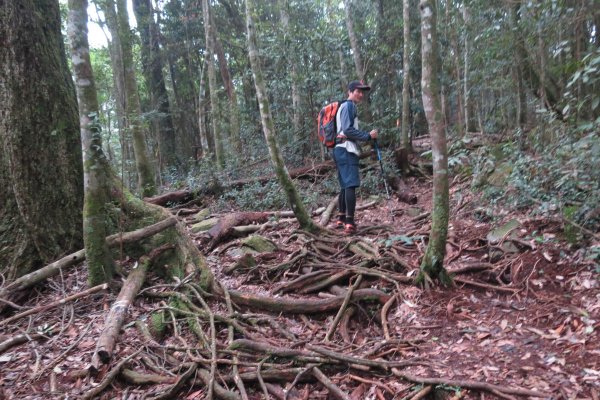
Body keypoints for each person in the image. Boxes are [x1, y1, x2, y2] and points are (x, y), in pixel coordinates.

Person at [332, 80, 378, 234]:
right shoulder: (349, 105)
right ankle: (350, 222)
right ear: (350, 91)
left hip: (340, 148)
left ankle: (341, 218)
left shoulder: (343, 107)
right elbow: (348, 130)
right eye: (357, 91)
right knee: (350, 184)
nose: (360, 94)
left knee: (345, 185)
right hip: (346, 149)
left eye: (362, 92)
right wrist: (367, 136)